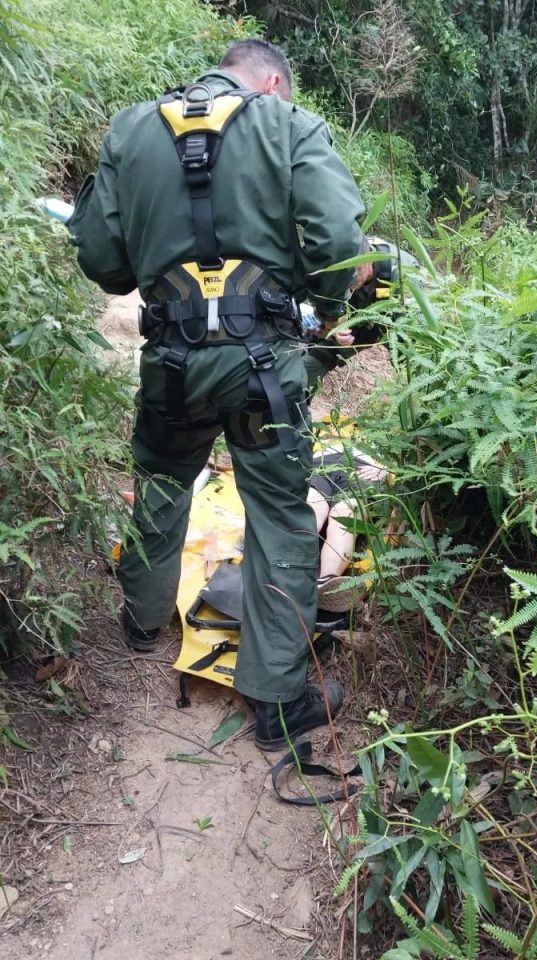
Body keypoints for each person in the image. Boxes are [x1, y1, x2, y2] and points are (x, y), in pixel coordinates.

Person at [67, 39, 365, 751]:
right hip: (264, 369)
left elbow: (104, 263)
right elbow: (338, 242)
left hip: (171, 362)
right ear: (270, 82)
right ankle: (276, 702)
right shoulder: (287, 126)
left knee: (163, 485)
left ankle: (141, 625)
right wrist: (321, 309)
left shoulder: (131, 129)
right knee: (280, 517)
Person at [303, 237, 420, 394]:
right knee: (313, 358)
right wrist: (332, 327)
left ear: (368, 260)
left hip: (396, 323)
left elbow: (412, 334)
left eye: (353, 272)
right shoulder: (341, 258)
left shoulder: (402, 273)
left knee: (409, 367)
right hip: (359, 319)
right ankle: (298, 404)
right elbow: (326, 308)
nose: (347, 281)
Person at [307, 445, 388, 614]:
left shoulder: (389, 433)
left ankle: (327, 582)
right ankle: (290, 570)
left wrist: (386, 469)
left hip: (365, 467)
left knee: (345, 514)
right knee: (312, 509)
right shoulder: (319, 433)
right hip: (322, 461)